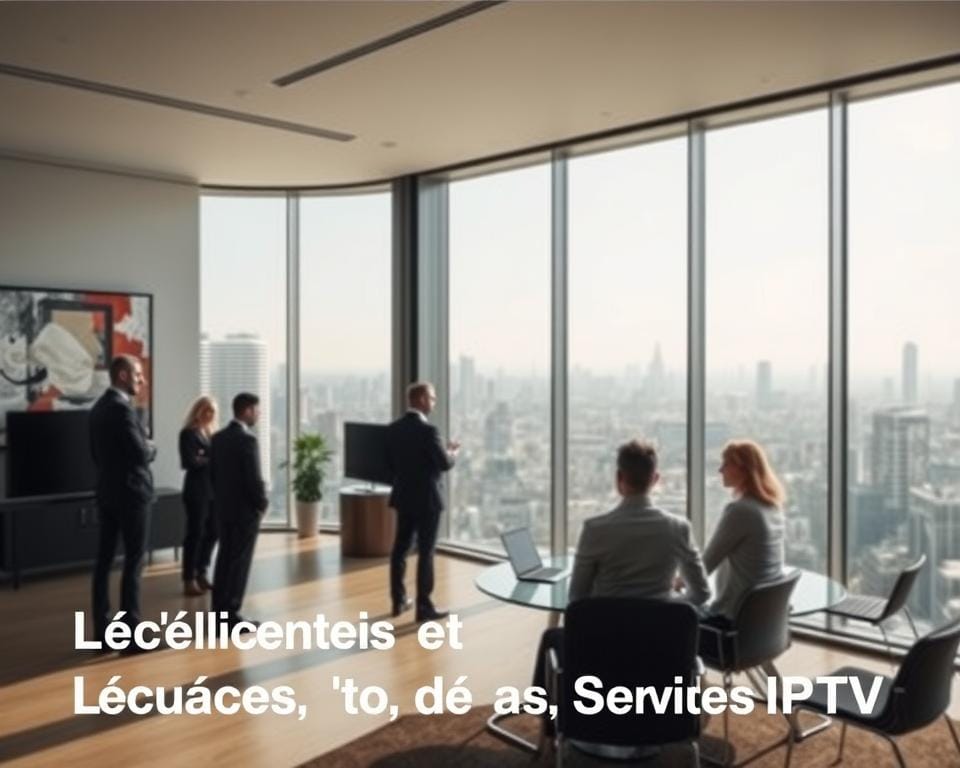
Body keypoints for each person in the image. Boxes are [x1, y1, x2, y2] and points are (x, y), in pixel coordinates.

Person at [533, 439, 710, 692]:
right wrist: (670, 605)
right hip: (659, 648)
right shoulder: (677, 528)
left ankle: (552, 722)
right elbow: (702, 594)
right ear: (655, 479)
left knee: (553, 638)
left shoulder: (595, 529)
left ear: (619, 478)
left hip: (604, 646)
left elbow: (577, 599)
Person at [89, 354, 156, 646]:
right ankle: (131, 634)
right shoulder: (122, 410)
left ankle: (103, 631)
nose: (142, 381)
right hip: (132, 494)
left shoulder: (97, 409)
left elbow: (95, 455)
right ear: (123, 376)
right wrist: (150, 445)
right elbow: (141, 454)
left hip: (106, 492)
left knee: (103, 562)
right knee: (134, 561)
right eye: (138, 375)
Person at [699, 439, 786, 661]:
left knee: (664, 620)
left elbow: (704, 567)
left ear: (743, 469)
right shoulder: (772, 508)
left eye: (726, 464)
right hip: (764, 630)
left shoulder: (741, 511)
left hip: (728, 630)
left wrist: (672, 584)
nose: (720, 470)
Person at [386, 381, 459, 622]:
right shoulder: (429, 431)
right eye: (432, 398)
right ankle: (424, 608)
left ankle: (398, 601)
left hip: (404, 496)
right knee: (426, 553)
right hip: (427, 500)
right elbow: (444, 464)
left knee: (400, 549)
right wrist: (452, 453)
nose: (434, 402)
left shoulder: (394, 429)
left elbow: (391, 465)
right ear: (420, 400)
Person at [210, 392, 268, 631]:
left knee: (224, 559)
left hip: (223, 508)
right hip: (245, 512)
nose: (259, 414)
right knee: (239, 562)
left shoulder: (218, 438)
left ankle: (218, 612)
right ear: (246, 411)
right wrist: (262, 503)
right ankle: (231, 615)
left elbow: (212, 475)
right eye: (256, 410)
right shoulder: (248, 441)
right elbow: (252, 479)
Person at [179, 396, 219, 597]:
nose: (210, 415)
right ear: (198, 411)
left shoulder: (209, 434)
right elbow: (190, 462)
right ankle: (189, 578)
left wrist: (204, 456)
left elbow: (206, 459)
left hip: (212, 491)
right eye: (206, 410)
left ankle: (201, 571)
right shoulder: (188, 434)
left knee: (213, 531)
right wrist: (208, 458)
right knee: (195, 534)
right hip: (196, 491)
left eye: (212, 411)